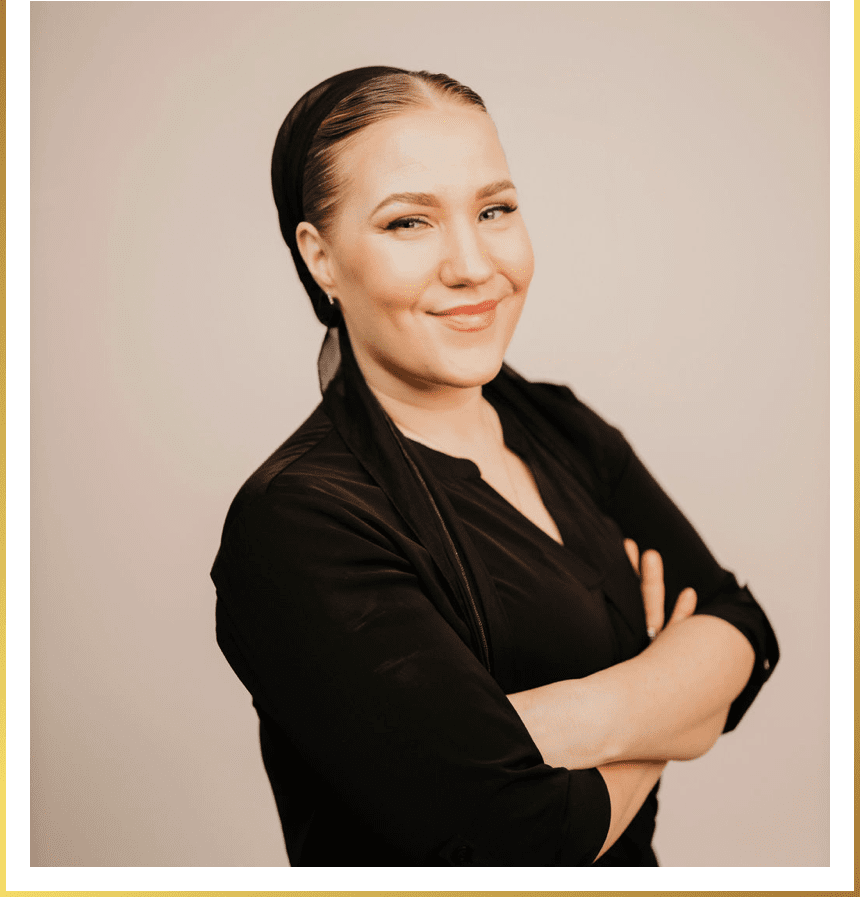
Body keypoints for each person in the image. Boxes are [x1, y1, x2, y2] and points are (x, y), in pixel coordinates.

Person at [212, 66, 779, 867]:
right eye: (409, 222)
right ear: (321, 257)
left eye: (494, 210)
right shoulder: (298, 521)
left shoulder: (558, 423)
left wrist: (570, 719)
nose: (473, 265)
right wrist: (675, 699)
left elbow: (745, 631)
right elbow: (523, 842)